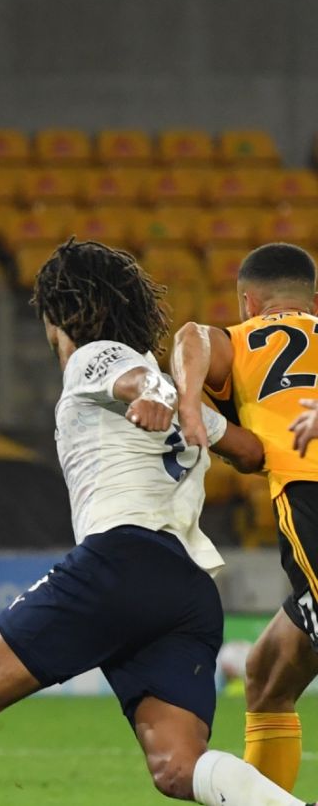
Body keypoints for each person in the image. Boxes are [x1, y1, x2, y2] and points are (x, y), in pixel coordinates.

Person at [0, 239, 300, 806]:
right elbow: (254, 453)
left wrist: (155, 392)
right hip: (185, 590)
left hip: (121, 561)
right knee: (179, 768)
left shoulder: (96, 356)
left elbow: (137, 379)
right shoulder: (189, 403)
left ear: (57, 314)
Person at [171, 243, 318, 792]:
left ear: (247, 302)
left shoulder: (241, 339)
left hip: (309, 493)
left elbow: (192, 337)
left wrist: (190, 403)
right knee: (267, 675)